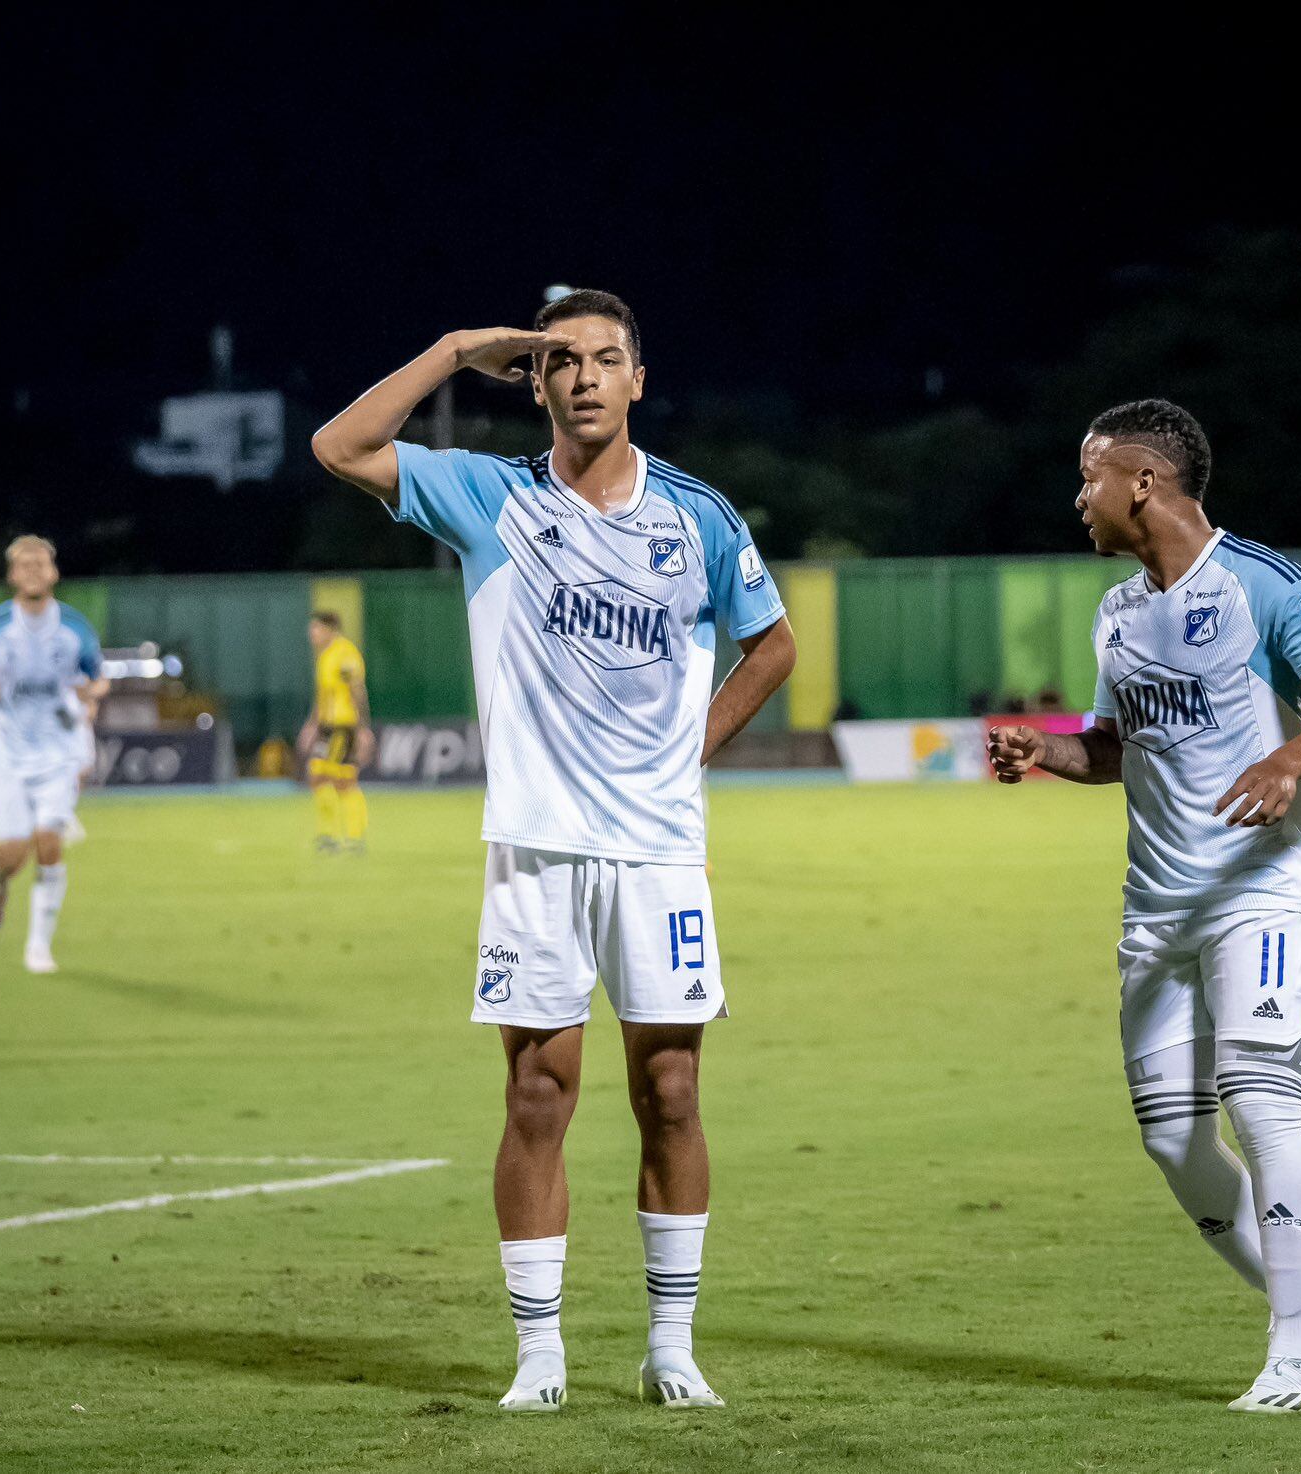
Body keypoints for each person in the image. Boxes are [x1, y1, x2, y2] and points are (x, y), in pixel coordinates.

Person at [310, 289, 795, 1413]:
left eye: (606, 358)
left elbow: (770, 645)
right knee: (539, 1091)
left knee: (669, 1088)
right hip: (533, 844)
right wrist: (446, 349)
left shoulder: (699, 517)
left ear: (638, 381)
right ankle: (540, 1354)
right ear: (534, 384)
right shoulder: (487, 496)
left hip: (660, 850)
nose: (583, 375)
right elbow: (341, 445)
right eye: (561, 360)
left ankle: (670, 1346)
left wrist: (692, 753)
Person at [987, 400, 1301, 1415]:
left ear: (1141, 483)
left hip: (1255, 890)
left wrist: (1287, 760)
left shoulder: (1261, 582)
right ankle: (1300, 1293)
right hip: (1154, 909)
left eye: (1087, 478)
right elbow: (1115, 747)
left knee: (1259, 1100)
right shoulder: (1115, 613)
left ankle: (1294, 1356)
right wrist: (1044, 754)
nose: (1077, 497)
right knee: (1171, 1138)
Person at [0, 536, 108, 975]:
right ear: (12, 576)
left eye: (41, 563)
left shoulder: (75, 628)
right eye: (26, 565)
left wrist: (91, 693)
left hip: (57, 751)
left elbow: (99, 679)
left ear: (54, 572)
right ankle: (0, 882)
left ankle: (39, 946)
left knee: (50, 841)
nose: (35, 571)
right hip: (6, 753)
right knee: (12, 851)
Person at [297, 610, 374, 853]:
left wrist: (363, 730)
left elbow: (357, 692)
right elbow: (323, 696)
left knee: (339, 779)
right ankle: (336, 836)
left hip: (344, 726)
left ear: (330, 629)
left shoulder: (345, 653)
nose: (312, 634)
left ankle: (349, 836)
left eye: (316, 628)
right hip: (328, 727)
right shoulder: (324, 656)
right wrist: (311, 726)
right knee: (324, 776)